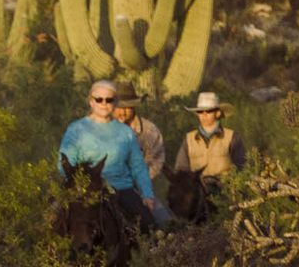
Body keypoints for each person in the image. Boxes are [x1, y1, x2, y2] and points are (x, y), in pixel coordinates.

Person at [55, 78, 169, 228]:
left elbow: (138, 166)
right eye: (99, 100)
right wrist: (80, 184)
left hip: (122, 188)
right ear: (91, 102)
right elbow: (64, 164)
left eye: (108, 100)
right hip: (85, 189)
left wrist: (146, 193)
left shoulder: (127, 132)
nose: (104, 104)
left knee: (152, 224)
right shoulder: (76, 129)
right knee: (54, 219)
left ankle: (158, 247)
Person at [168, 88, 243, 225]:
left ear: (218, 113)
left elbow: (241, 167)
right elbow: (181, 170)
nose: (204, 115)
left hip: (225, 190)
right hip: (197, 189)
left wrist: (228, 183)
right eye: (200, 111)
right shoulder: (188, 139)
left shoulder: (232, 137)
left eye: (208, 111)